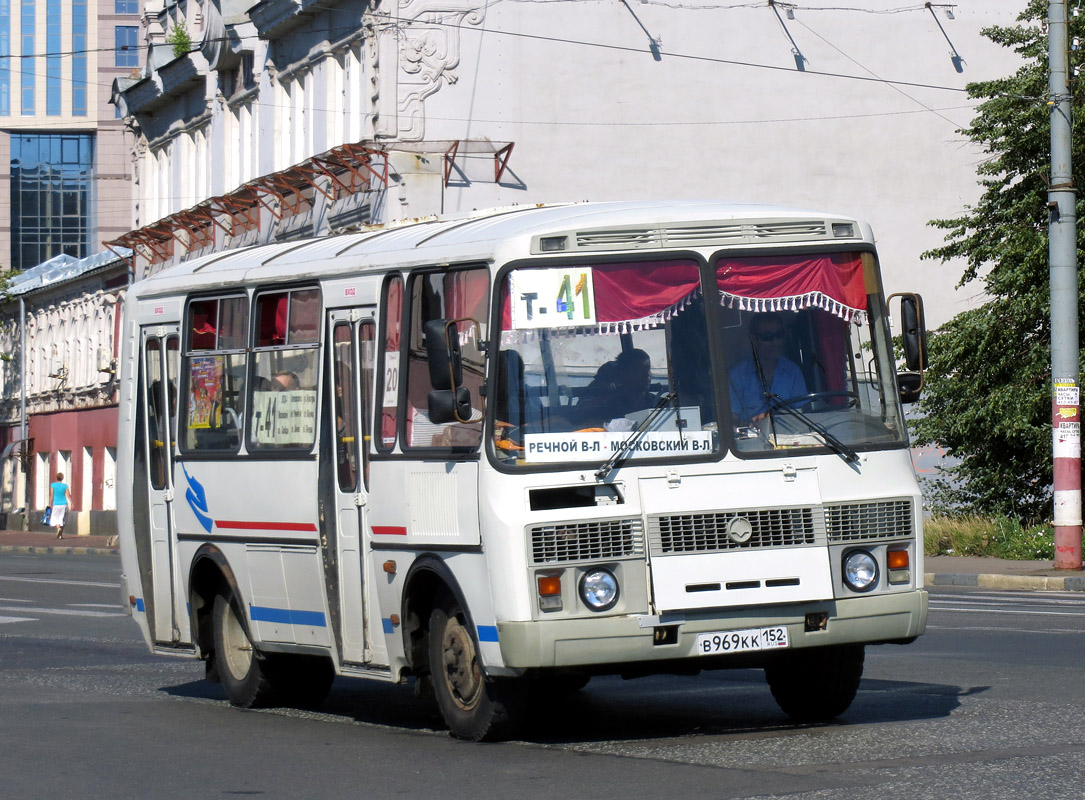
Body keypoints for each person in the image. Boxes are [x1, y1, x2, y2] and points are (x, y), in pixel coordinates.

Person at [729, 313, 808, 423]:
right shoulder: (737, 376)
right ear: (753, 339)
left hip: (790, 435)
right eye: (767, 337)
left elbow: (805, 413)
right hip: (752, 437)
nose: (775, 342)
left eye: (779, 335)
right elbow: (731, 420)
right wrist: (754, 422)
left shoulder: (793, 372)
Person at [576, 348, 657, 427]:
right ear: (623, 374)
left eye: (648, 369)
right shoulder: (608, 407)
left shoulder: (661, 404)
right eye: (639, 369)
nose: (647, 374)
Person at [49, 472, 73, 539]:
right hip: (64, 504)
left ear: (56, 477)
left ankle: (58, 528)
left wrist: (50, 503)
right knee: (63, 519)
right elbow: (68, 495)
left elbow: (51, 495)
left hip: (56, 504)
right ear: (62, 478)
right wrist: (72, 503)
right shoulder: (65, 486)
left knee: (54, 518)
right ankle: (60, 535)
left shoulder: (53, 485)